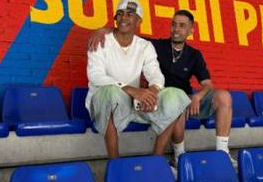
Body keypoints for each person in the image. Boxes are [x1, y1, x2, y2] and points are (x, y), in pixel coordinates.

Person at [88, 9, 234, 166]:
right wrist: (103, 30)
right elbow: (127, 31)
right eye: (174, 24)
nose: (176, 29)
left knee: (223, 96)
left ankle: (222, 152)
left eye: (182, 26)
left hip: (188, 100)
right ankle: (179, 157)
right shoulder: (155, 46)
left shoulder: (194, 54)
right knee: (176, 103)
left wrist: (197, 97)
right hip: (163, 100)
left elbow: (208, 85)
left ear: (191, 30)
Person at [86, 0, 190, 160]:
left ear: (139, 21)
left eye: (130, 14)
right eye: (120, 14)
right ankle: (115, 164)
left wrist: (152, 92)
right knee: (111, 92)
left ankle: (156, 160)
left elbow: (156, 75)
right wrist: (132, 90)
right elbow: (95, 75)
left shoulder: (145, 46)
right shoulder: (100, 41)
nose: (124, 17)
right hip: (103, 103)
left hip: (133, 104)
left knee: (175, 95)